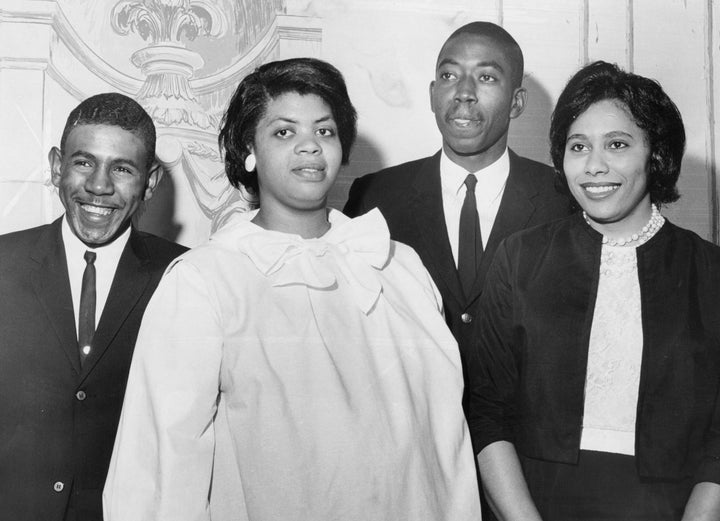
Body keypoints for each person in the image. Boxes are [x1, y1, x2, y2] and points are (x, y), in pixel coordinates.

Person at [103, 57, 481, 521]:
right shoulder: (206, 280)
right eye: (284, 132)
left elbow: (446, 443)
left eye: (324, 131)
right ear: (249, 150)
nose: (309, 147)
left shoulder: (398, 266)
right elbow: (161, 461)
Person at [467, 60, 720, 520]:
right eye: (578, 146)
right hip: (537, 501)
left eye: (618, 145)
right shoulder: (519, 258)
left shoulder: (710, 272)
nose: (594, 166)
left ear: (657, 155)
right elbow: (487, 412)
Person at [0, 93, 187, 521]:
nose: (99, 185)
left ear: (151, 182)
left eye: (122, 168)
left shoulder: (185, 276)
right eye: (84, 162)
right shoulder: (2, 265)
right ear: (55, 167)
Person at [344, 21, 571, 368]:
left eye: (486, 77)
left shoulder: (563, 199)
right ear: (433, 94)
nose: (464, 92)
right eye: (450, 76)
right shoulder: (375, 197)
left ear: (517, 102)